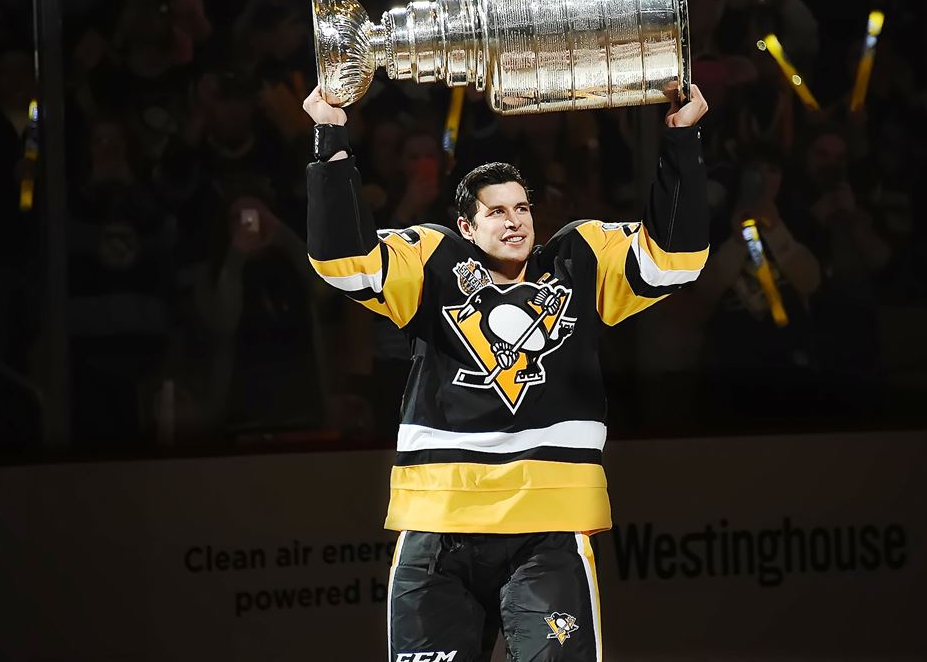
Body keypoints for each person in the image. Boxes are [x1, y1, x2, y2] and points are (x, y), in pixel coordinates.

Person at [303, 82, 709, 661]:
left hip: (548, 524)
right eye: (496, 211)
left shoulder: (578, 259)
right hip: (439, 523)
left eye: (522, 207)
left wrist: (683, 137)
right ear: (467, 227)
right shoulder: (432, 260)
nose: (515, 221)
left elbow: (675, 260)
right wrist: (330, 137)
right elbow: (344, 262)